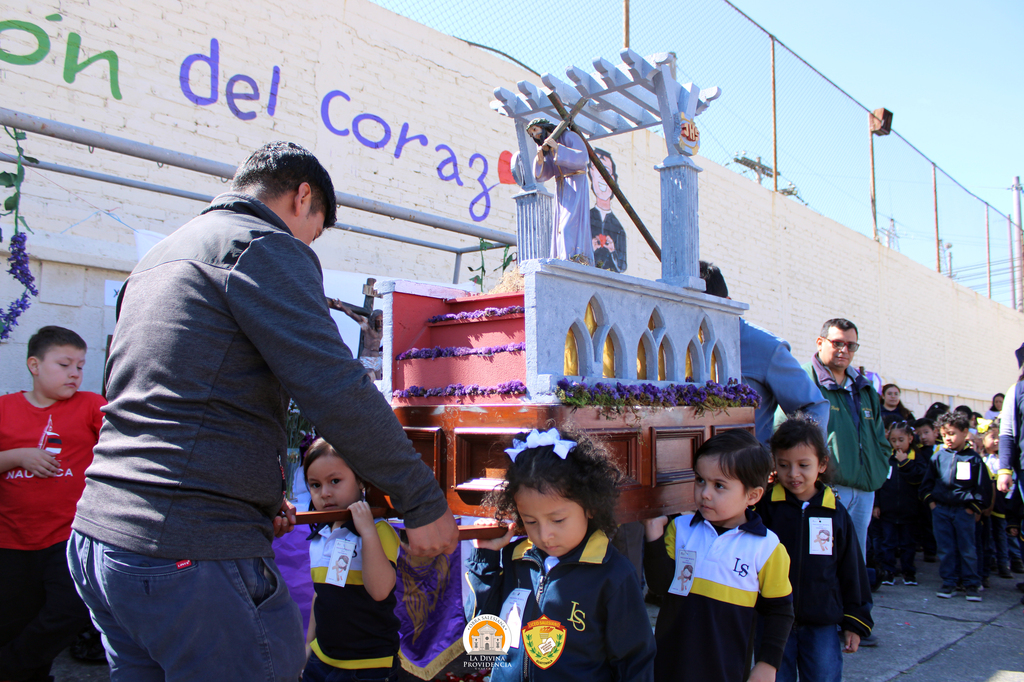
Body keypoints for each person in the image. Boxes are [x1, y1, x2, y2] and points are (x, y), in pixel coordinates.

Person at [66, 141, 458, 682]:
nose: (308, 246)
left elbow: (160, 392)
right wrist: (420, 498)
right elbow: (333, 384)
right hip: (187, 550)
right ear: (303, 197)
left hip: (102, 538)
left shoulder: (159, 257)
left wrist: (254, 489)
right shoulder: (262, 245)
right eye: (314, 232)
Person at [467, 428, 655, 681]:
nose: (545, 535)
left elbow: (634, 661)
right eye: (530, 521)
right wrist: (485, 560)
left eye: (558, 520)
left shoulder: (614, 575)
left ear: (590, 506)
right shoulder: (515, 560)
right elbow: (482, 639)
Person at [644, 430, 794, 682]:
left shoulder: (767, 548)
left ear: (753, 495)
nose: (705, 493)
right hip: (670, 666)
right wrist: (653, 536)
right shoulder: (680, 529)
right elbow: (660, 586)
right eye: (700, 480)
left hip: (726, 670)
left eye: (719, 485)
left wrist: (768, 662)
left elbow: (780, 611)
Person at [0, 326, 105, 682]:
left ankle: (8, 665)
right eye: (64, 364)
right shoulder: (4, 408)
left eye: (80, 365)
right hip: (10, 540)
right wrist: (16, 456)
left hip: (68, 538)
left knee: (70, 611)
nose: (75, 373)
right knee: (16, 623)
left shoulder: (90, 405)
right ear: (34, 364)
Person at [758, 416, 872, 682]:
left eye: (803, 465)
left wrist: (856, 619)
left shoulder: (835, 513)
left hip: (822, 623)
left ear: (822, 464)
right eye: (784, 465)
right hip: (773, 621)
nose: (793, 474)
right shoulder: (764, 508)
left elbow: (851, 568)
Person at [301, 438, 400, 682]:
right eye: (315, 485)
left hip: (368, 667)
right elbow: (320, 594)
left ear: (359, 479)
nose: (325, 493)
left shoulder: (379, 531)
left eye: (335, 481)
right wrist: (308, 647)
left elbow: (379, 591)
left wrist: (366, 532)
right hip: (321, 661)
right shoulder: (320, 536)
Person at [699, 262, 829, 446]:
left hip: (747, 469)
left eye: (703, 310)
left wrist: (792, 463)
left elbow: (813, 406)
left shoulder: (766, 347)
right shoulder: (670, 343)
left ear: (727, 303)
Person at [803, 319, 890, 560]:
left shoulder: (865, 388)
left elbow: (880, 437)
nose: (844, 350)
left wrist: (879, 467)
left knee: (855, 557)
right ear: (820, 343)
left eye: (851, 345)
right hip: (826, 487)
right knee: (822, 556)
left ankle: (856, 600)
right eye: (838, 343)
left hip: (864, 489)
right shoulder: (804, 379)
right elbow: (784, 429)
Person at [920, 411, 991, 601]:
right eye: (944, 435)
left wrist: (973, 508)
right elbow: (927, 484)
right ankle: (949, 582)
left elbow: (982, 488)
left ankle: (971, 584)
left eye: (952, 433)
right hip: (941, 510)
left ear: (965, 432)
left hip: (963, 512)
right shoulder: (938, 457)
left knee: (968, 548)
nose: (948, 439)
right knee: (945, 548)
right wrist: (932, 504)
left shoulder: (974, 459)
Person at [527, 118, 593, 263]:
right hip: (562, 187)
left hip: (575, 184)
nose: (534, 136)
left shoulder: (569, 137)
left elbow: (583, 159)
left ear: (544, 128)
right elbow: (544, 173)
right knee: (558, 228)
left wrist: (557, 147)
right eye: (532, 133)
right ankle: (563, 257)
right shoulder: (547, 149)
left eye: (535, 130)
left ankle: (574, 258)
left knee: (567, 226)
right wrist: (540, 159)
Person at [873, 421, 925, 586]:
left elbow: (919, 478)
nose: (897, 444)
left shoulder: (916, 458)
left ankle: (909, 572)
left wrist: (905, 463)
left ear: (910, 438)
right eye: (893, 440)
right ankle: (889, 571)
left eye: (901, 440)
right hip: (888, 510)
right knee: (888, 542)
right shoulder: (887, 458)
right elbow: (879, 483)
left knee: (908, 543)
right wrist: (877, 504)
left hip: (909, 510)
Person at [588, 148, 627, 273]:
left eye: (606, 171)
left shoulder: (618, 228)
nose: (601, 177)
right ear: (591, 175)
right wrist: (590, 249)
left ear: (613, 179)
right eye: (598, 171)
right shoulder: (585, 219)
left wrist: (613, 251)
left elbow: (622, 266)